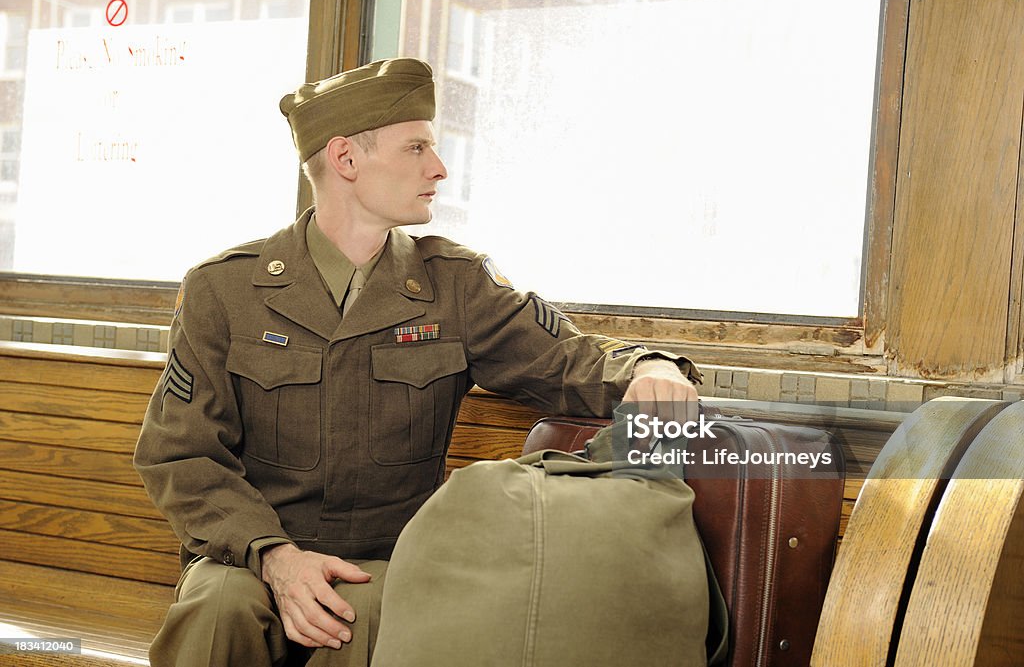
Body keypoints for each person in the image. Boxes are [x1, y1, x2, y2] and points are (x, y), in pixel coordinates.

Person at [134, 57, 701, 667]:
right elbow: (181, 452)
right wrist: (275, 557)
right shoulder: (225, 290)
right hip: (248, 553)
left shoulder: (455, 285)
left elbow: (567, 358)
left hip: (385, 561)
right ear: (347, 159)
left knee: (361, 620)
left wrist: (653, 368)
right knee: (217, 610)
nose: (439, 168)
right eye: (416, 148)